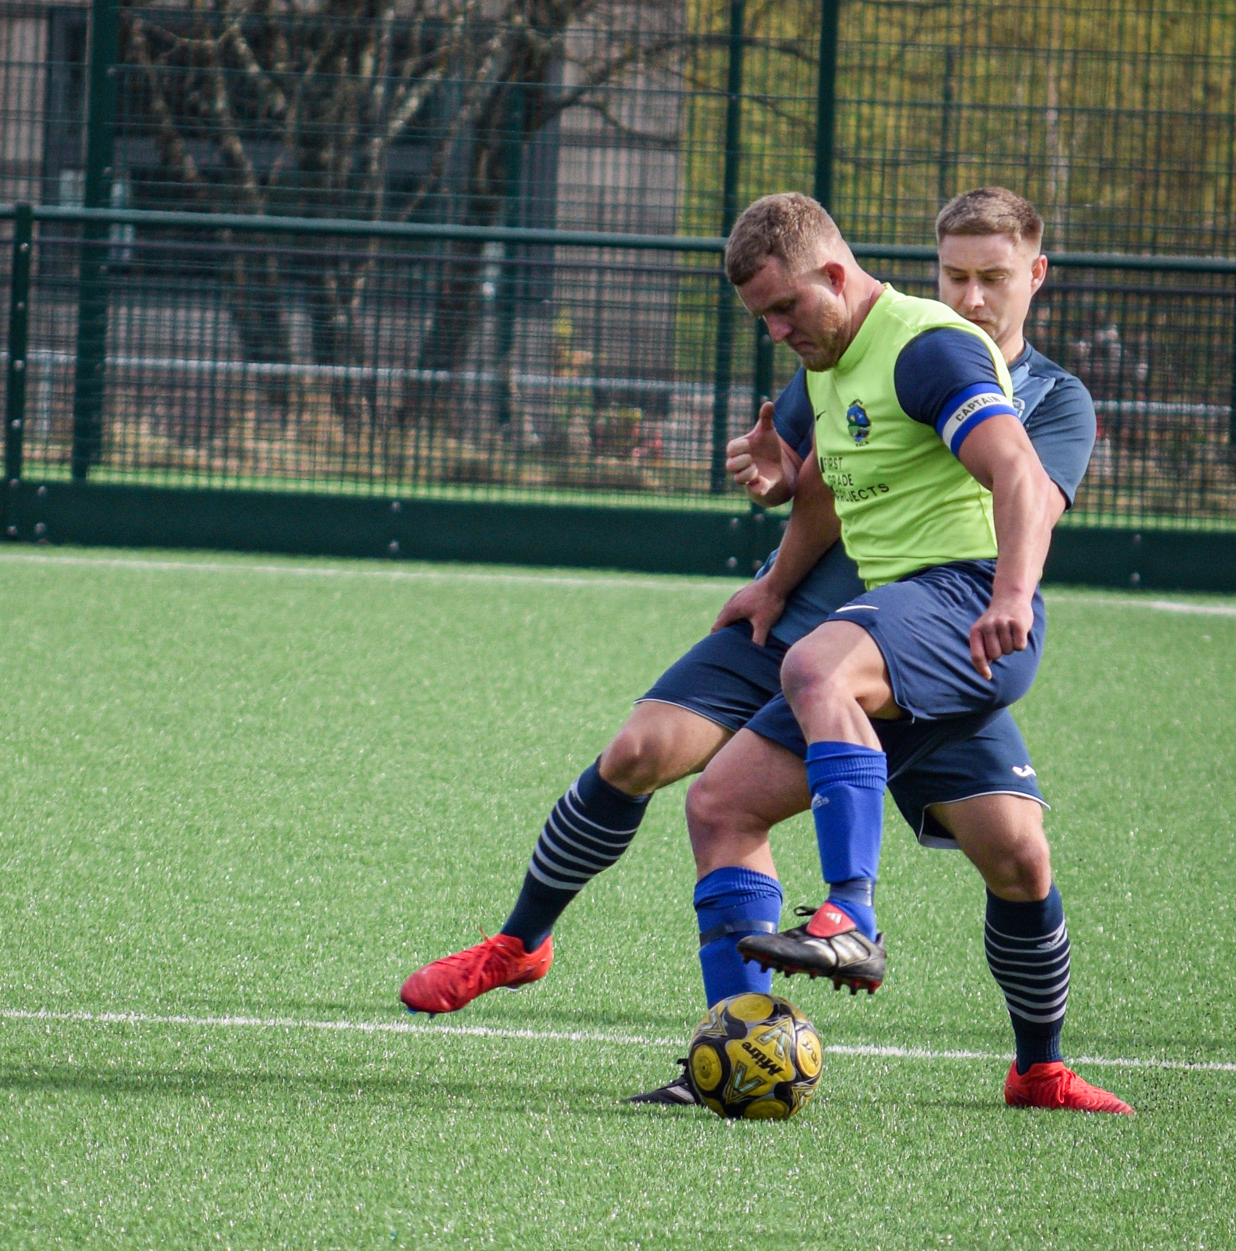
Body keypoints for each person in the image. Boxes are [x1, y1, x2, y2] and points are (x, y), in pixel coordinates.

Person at [401, 186, 1125, 1111]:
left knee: (1015, 854)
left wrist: (1013, 594)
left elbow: (1021, 484)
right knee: (713, 798)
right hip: (846, 626)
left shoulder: (962, 362)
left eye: (993, 277)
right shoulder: (834, 350)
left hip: (945, 616)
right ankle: (729, 1048)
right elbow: (817, 477)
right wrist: (776, 553)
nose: (972, 295)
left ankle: (998, 1034)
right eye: (956, 274)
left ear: (1036, 276)